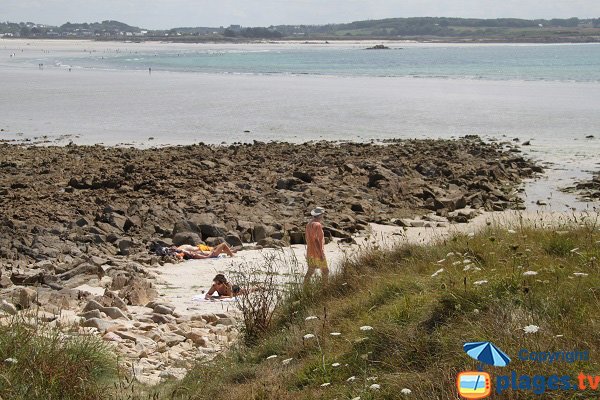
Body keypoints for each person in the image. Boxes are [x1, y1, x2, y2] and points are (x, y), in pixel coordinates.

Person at [304, 207, 328, 285]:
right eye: (322, 215)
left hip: (310, 251)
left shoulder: (309, 224)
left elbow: (308, 238)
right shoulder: (317, 225)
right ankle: (325, 288)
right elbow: (316, 240)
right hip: (317, 252)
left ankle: (305, 287)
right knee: (325, 271)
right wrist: (320, 254)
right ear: (320, 215)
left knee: (310, 271)